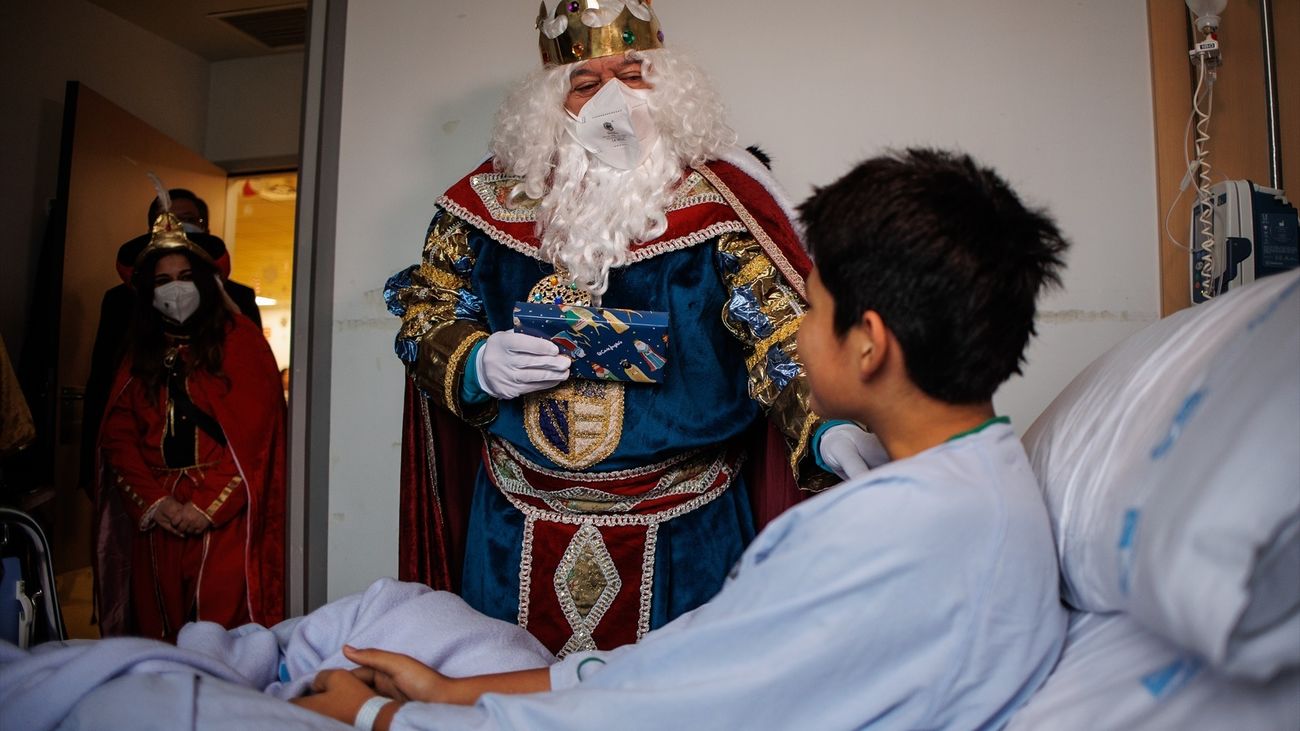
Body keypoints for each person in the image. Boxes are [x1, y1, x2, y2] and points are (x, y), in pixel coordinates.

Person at [295, 147, 1072, 730]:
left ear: (867, 344)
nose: (789, 330)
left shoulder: (861, 543)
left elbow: (665, 709)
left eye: (810, 304)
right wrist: (453, 690)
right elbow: (690, 660)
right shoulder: (981, 483)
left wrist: (383, 720)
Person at [384, 0, 881, 656]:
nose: (609, 98)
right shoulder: (480, 207)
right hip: (513, 526)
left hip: (686, 532)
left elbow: (779, 333)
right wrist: (474, 361)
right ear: (547, 105)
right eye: (584, 83)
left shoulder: (723, 202)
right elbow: (426, 313)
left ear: (669, 85)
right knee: (503, 705)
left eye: (632, 73)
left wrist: (828, 426)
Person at [93, 204, 286, 642]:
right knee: (156, 628)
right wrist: (157, 503)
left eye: (184, 278)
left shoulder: (242, 343)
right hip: (158, 515)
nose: (174, 290)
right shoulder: (137, 353)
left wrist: (204, 507)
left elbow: (257, 438)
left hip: (222, 519)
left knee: (221, 632)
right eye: (162, 281)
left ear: (203, 282)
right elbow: (118, 436)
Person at [81, 189, 262, 491]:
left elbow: (254, 405)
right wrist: (91, 468)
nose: (176, 226)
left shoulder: (237, 302)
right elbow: (105, 384)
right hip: (146, 474)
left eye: (188, 220)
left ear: (205, 226)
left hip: (220, 477)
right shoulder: (121, 301)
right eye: (163, 281)